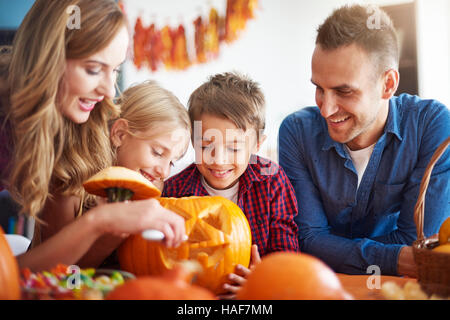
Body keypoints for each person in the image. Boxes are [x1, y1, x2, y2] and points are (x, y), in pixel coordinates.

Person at [0, 0, 186, 272]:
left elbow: (55, 273)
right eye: (94, 69)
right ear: (49, 58)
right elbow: (11, 280)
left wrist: (107, 227)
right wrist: (98, 222)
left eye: (115, 70)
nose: (110, 92)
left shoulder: (72, 128)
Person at [278, 4, 450, 277]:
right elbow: (308, 240)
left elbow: (421, 247)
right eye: (319, 89)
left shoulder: (431, 124)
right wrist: (394, 258)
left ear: (388, 84)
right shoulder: (296, 131)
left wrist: (334, 249)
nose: (326, 109)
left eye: (343, 91)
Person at [163, 71, 299, 298]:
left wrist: (266, 276)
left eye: (234, 148)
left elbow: (287, 253)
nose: (219, 159)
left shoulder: (272, 182)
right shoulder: (173, 193)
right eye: (206, 145)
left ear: (257, 144)